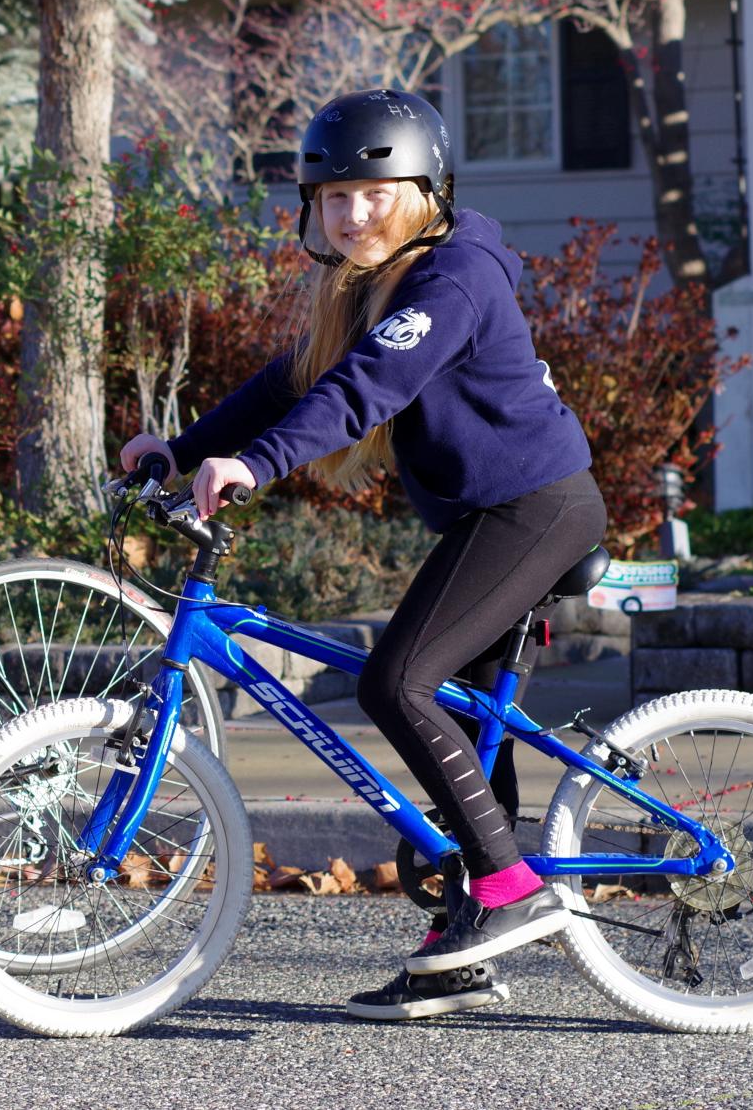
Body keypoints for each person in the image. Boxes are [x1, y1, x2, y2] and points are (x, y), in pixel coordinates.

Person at [119, 88, 606, 1021]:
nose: (350, 214)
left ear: (426, 188)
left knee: (395, 684)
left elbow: (364, 391)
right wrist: (179, 452)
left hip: (536, 509)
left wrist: (256, 466)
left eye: (373, 192)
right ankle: (470, 941)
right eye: (330, 197)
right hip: (486, 516)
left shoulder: (452, 277)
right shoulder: (373, 281)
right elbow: (293, 380)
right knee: (457, 720)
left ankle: (512, 890)